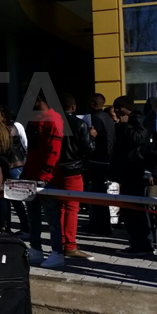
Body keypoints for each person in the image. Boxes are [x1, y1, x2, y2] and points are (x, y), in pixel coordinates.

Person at [23, 92, 65, 268]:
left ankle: (57, 252)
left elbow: (53, 151)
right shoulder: (36, 119)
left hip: (44, 177)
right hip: (32, 174)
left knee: (51, 217)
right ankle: (36, 249)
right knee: (33, 215)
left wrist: (45, 175)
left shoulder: (53, 120)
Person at [111, 96, 156, 256]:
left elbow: (139, 138)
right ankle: (138, 242)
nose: (115, 111)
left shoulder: (137, 119)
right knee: (130, 209)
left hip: (135, 171)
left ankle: (142, 244)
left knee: (135, 209)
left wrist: (123, 125)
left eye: (118, 108)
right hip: (128, 171)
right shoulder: (129, 121)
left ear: (125, 108)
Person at [54, 94, 96, 260]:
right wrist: (92, 137)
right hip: (73, 169)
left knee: (61, 207)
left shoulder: (53, 123)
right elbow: (88, 149)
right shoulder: (80, 124)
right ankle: (70, 245)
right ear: (73, 107)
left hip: (57, 169)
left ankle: (62, 241)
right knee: (72, 208)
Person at [84, 93, 116, 236]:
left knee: (96, 194)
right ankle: (100, 225)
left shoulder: (96, 118)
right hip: (106, 160)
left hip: (97, 161)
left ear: (94, 103)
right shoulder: (106, 117)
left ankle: (99, 225)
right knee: (100, 194)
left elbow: (95, 141)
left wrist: (90, 137)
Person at [0, 108, 29, 234]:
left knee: (14, 198)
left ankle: (22, 227)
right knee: (10, 198)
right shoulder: (13, 126)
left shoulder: (12, 126)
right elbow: (25, 144)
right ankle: (12, 226)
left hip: (13, 166)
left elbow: (25, 144)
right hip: (12, 164)